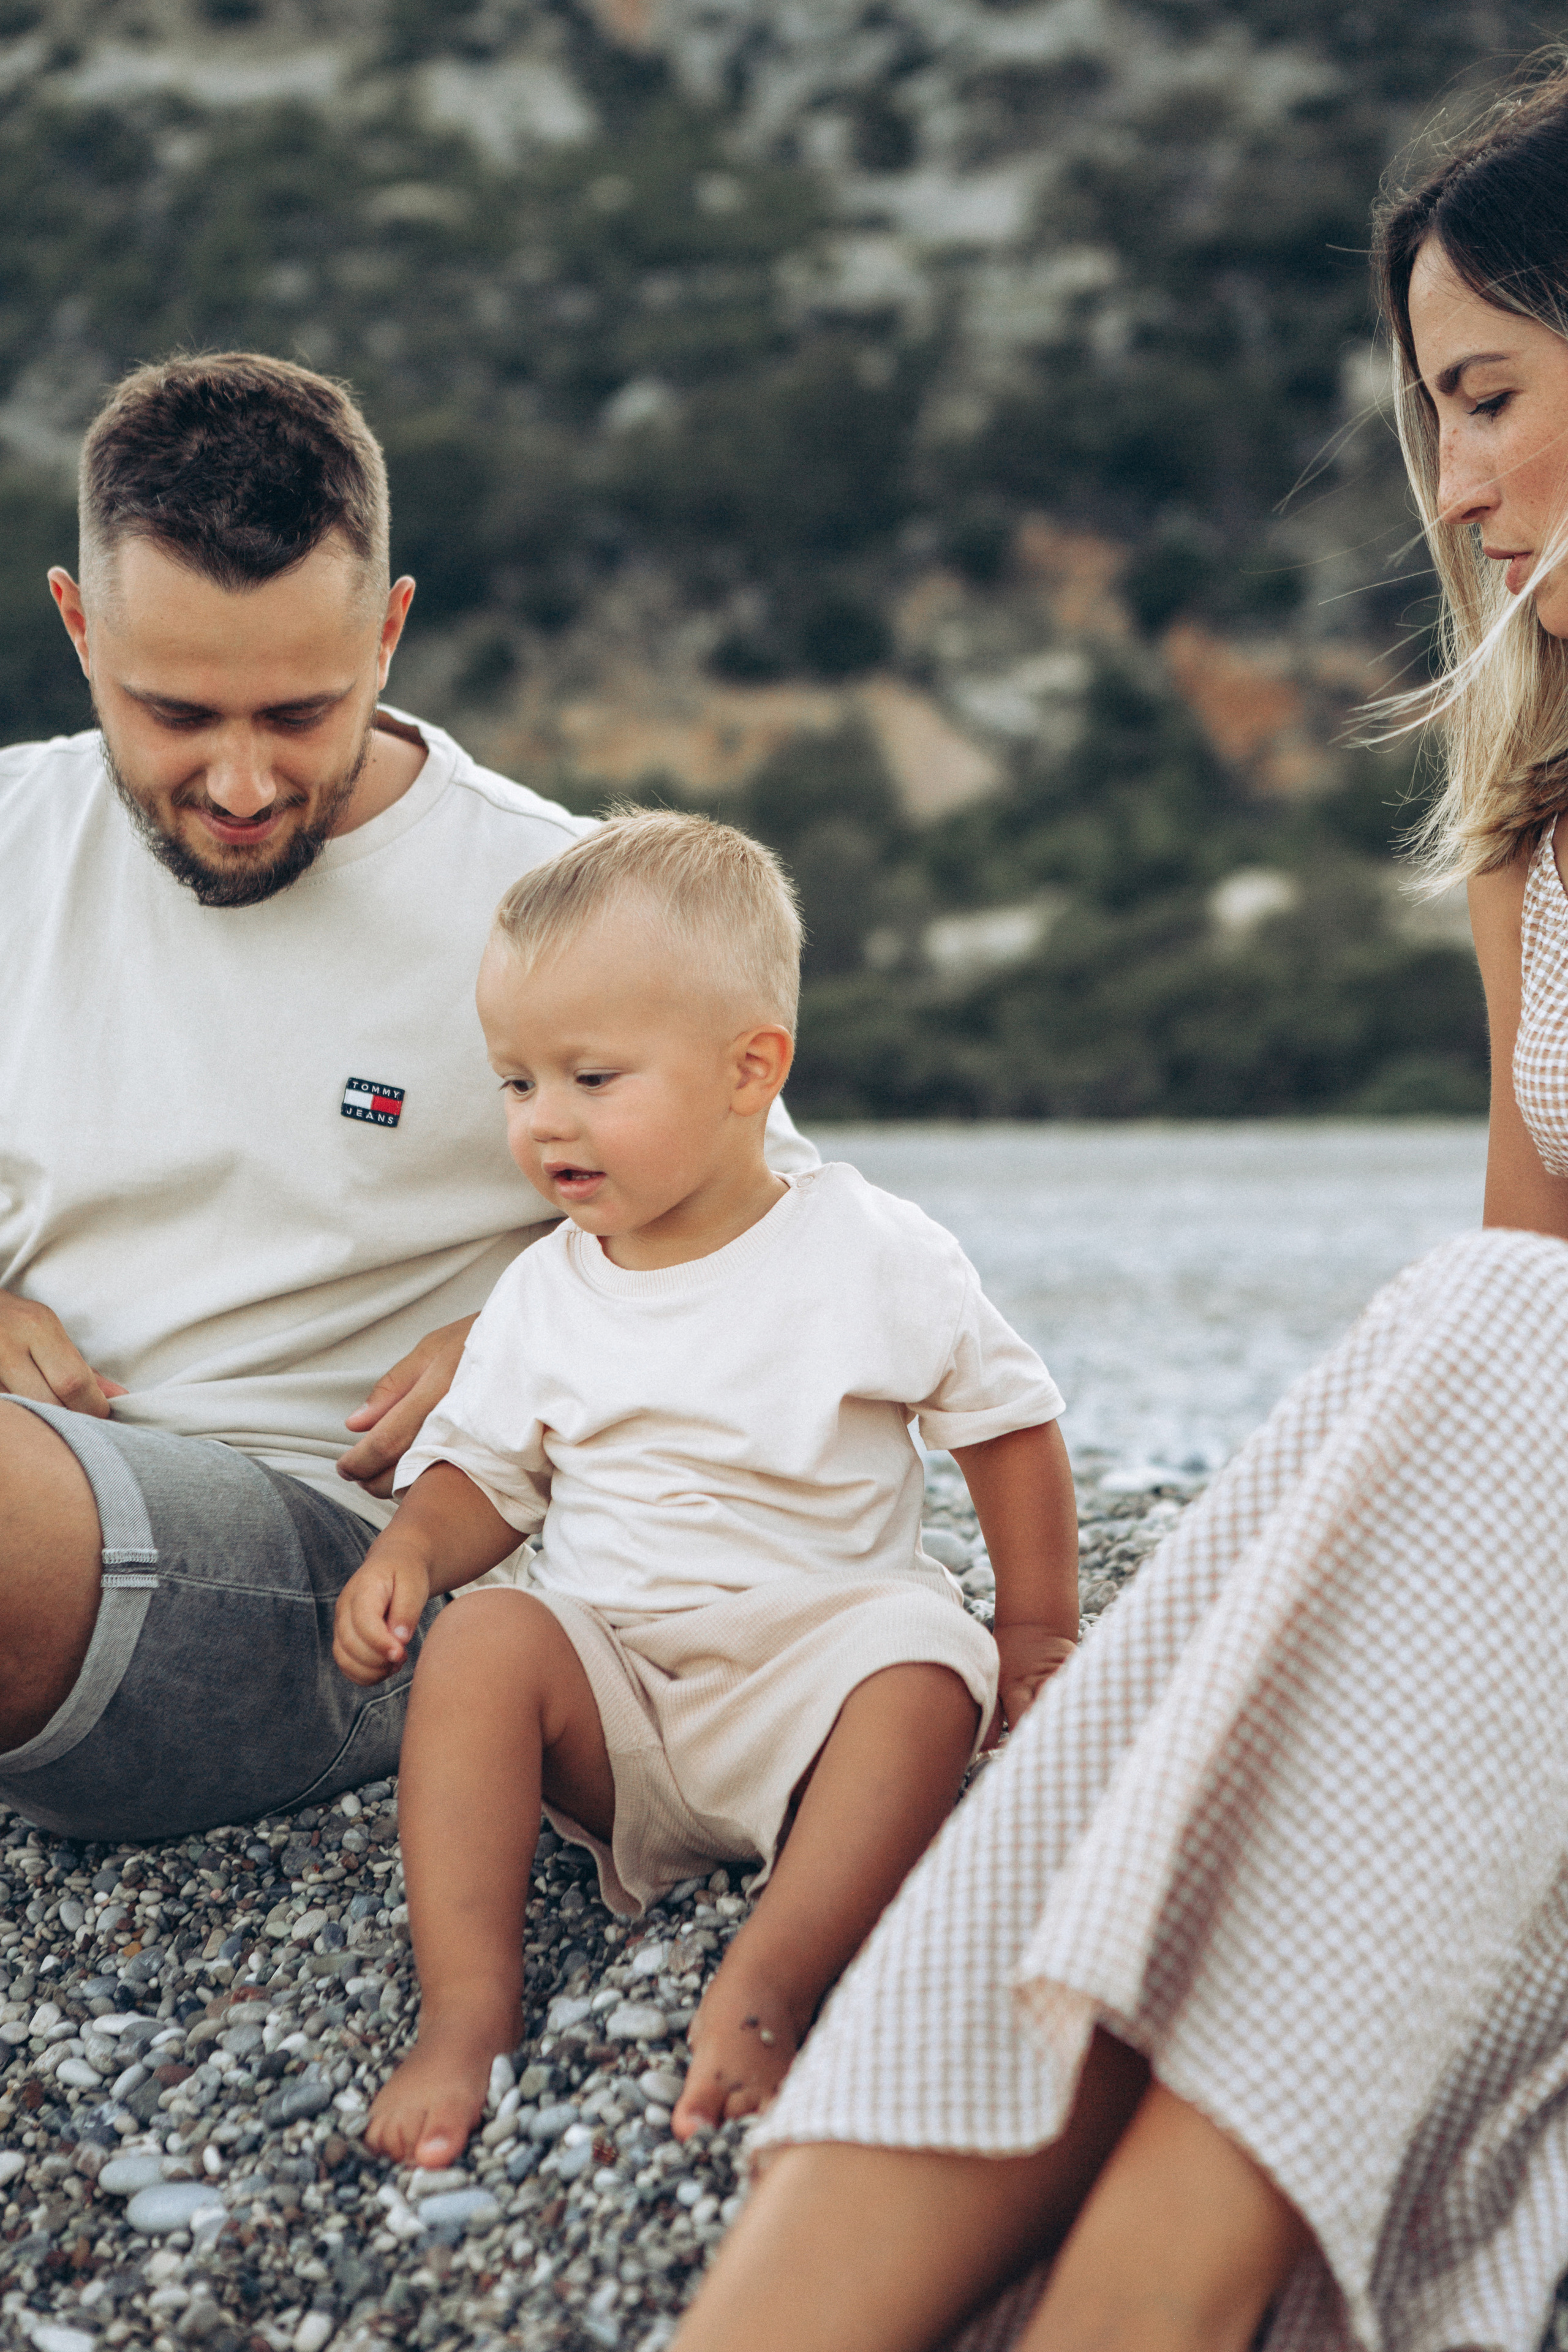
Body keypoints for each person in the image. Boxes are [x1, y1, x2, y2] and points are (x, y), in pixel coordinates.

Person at [673, 62, 1568, 2352]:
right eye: (1431, 422)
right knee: (1488, 1349)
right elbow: (1520, 1253)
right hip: (1529, 1546)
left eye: (1491, 398)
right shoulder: (1538, 836)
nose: (1457, 490)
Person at [0, 352, 815, 1846]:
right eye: (175, 713)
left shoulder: (550, 898)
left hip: (337, 1581)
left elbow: (800, 1238)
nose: (240, 782)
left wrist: (543, 1320)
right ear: (76, 626)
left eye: (299, 713)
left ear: (388, 634)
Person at [329, 809, 1081, 2169]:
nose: (543, 1122)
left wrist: (1032, 1632)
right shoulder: (544, 1291)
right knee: (486, 1640)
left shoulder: (866, 1249)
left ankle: (770, 1987)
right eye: (515, 1084)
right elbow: (483, 1475)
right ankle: (465, 2012)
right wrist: (414, 1554)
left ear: (750, 1072)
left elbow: (1007, 1424)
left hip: (814, 1676)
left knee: (925, 1657)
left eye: (591, 1078)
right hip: (620, 1703)